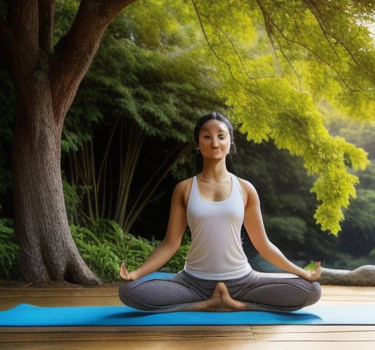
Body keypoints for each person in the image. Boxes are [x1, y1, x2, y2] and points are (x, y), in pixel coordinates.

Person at [119, 111, 322, 312]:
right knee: (128, 291)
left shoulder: (245, 189)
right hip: (193, 284)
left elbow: (263, 244)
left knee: (311, 290)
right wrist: (136, 274)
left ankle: (240, 305)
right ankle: (204, 305)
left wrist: (301, 272)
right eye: (207, 136)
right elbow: (170, 243)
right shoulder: (185, 189)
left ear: (230, 143)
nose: (214, 142)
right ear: (198, 144)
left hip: (242, 282)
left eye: (221, 136)